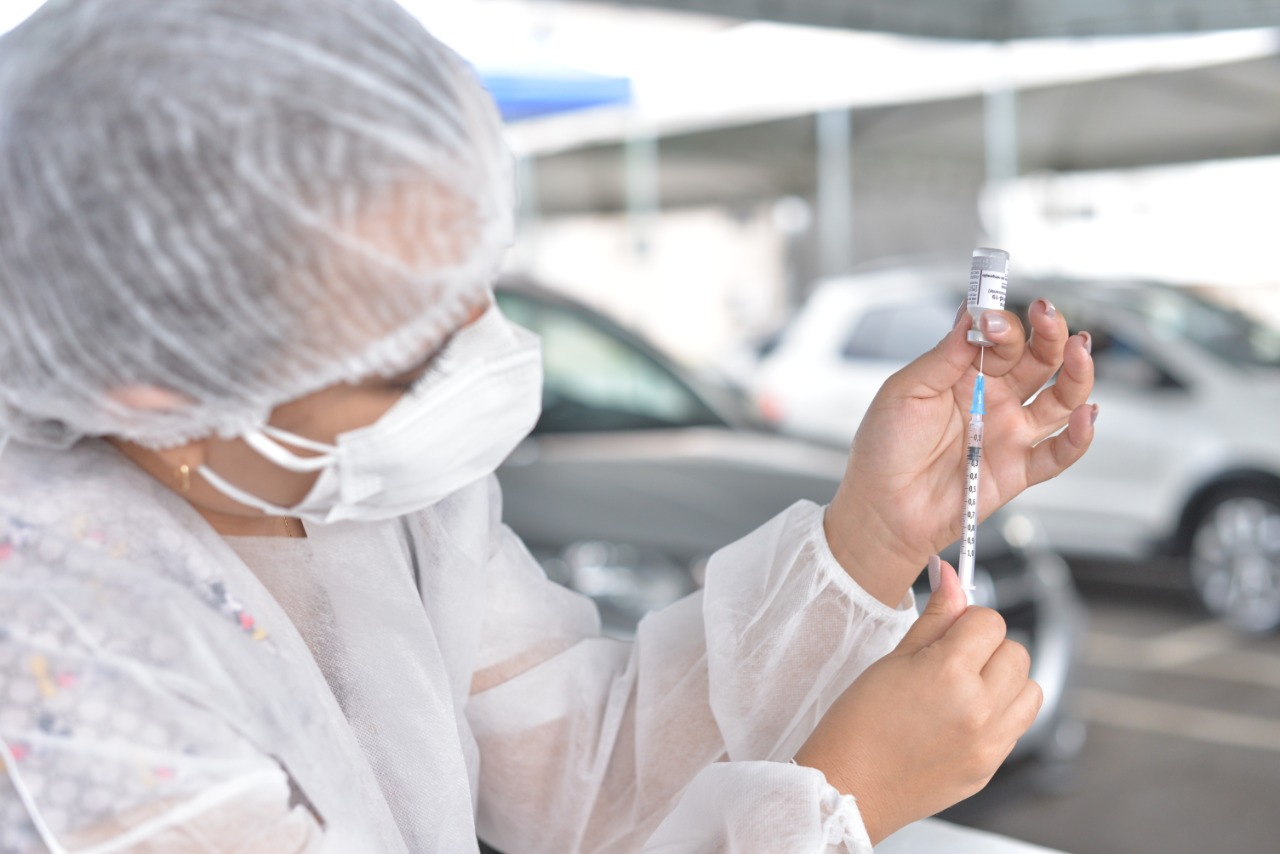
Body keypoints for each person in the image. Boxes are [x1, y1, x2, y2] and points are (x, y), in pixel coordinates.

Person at [0, 1, 1096, 851]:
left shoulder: (362, 490)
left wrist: (870, 535)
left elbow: (590, 773)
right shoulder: (47, 658)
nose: (479, 357)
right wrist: (836, 800)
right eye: (404, 347)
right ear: (152, 376)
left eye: (471, 286)